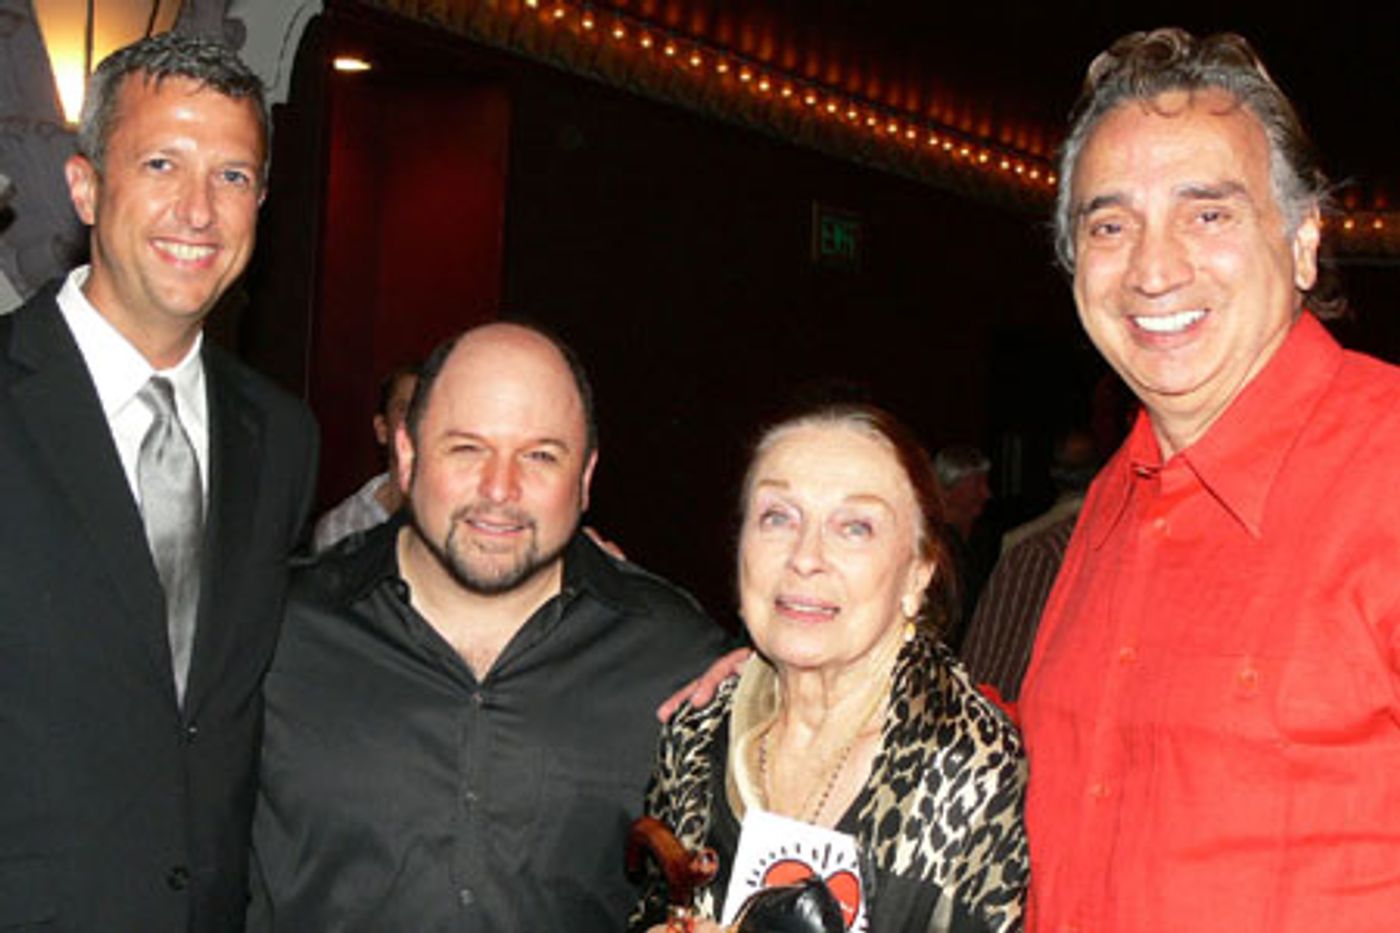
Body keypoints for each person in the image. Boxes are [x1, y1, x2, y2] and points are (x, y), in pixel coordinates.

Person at [1019, 27, 1400, 931]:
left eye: (1208, 214)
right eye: (1110, 225)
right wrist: (837, 674)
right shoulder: (1113, 500)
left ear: (1303, 240)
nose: (1153, 270)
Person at [249, 322, 726, 931]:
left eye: (540, 455)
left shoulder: (677, 656)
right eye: (467, 448)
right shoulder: (274, 630)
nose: (500, 489)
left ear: (585, 477)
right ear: (406, 456)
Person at [0, 34, 317, 931]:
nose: (198, 210)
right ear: (85, 186)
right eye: (161, 163)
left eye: (232, 176)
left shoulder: (281, 436)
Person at [633, 404, 1028, 932]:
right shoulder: (698, 732)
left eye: (855, 527)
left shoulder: (969, 766)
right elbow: (651, 907)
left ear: (917, 574)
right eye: (778, 517)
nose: (805, 557)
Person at [959, 428, 1097, 701]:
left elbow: (990, 670)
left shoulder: (1033, 550)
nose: (986, 494)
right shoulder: (1043, 547)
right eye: (976, 484)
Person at [311, 362, 420, 551]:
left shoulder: (466, 519)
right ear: (382, 430)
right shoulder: (342, 529)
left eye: (429, 408)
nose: (419, 420)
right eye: (406, 409)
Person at [932, 444, 994, 648]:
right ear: (947, 489)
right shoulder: (936, 549)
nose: (986, 494)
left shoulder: (984, 540)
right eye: (976, 485)